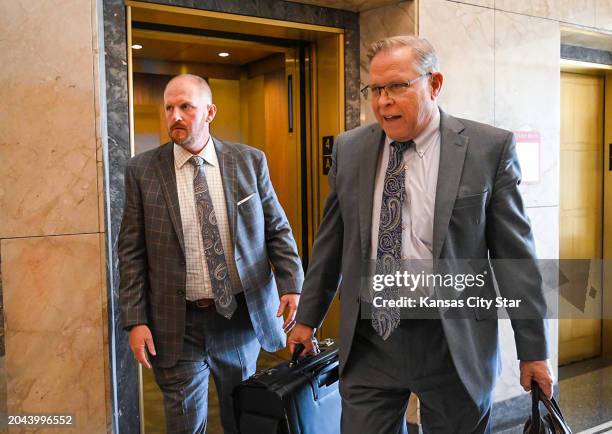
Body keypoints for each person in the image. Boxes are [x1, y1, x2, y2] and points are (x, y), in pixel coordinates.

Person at [288, 36, 553, 433]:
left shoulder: (487, 149)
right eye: (376, 89)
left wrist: (533, 351)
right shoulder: (351, 149)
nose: (383, 101)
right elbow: (331, 243)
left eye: (397, 86)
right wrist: (307, 318)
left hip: (452, 341)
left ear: (434, 83)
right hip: (370, 340)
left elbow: (515, 258)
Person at [119, 74, 304, 434]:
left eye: (185, 106)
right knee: (185, 424)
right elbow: (131, 253)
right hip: (176, 322)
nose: (175, 115)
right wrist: (135, 319)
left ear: (209, 111)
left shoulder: (249, 161)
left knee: (244, 417)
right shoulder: (142, 171)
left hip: (237, 318)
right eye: (169, 107)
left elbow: (276, 229)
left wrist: (291, 284)